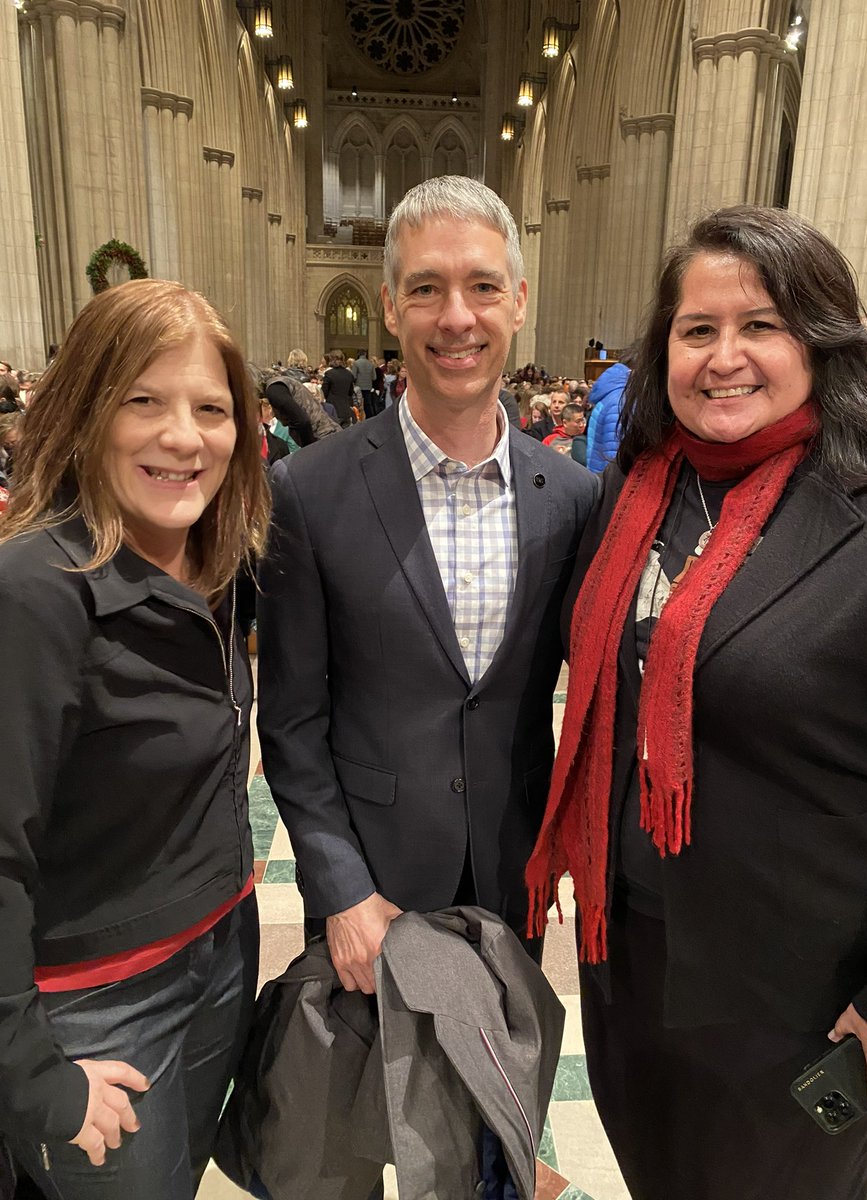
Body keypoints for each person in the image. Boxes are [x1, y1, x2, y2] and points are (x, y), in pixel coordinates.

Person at [525, 205, 867, 1200]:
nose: (724, 356)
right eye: (698, 330)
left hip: (803, 994)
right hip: (633, 959)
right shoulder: (636, 491)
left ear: (819, 339)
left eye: (761, 326)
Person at [258, 174, 596, 998]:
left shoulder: (574, 497)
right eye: (427, 289)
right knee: (370, 1122)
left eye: (482, 286)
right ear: (388, 305)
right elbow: (293, 722)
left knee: (494, 1116)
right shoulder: (310, 491)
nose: (456, 316)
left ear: (517, 301)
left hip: (510, 878)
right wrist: (339, 891)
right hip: (370, 891)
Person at [0, 278, 269, 1200]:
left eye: (210, 408)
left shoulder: (216, 561)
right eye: (143, 402)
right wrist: (35, 1078)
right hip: (100, 1006)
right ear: (84, 410)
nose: (183, 437)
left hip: (220, 958)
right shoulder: (37, 591)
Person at [585, 349, 633, 473]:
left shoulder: (614, 393)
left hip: (600, 473)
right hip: (611, 481)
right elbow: (614, 453)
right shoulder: (620, 402)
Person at [321, 350, 356, 427]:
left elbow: (324, 392)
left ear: (331, 360)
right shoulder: (349, 374)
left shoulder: (329, 374)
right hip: (346, 411)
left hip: (333, 410)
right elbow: (350, 392)